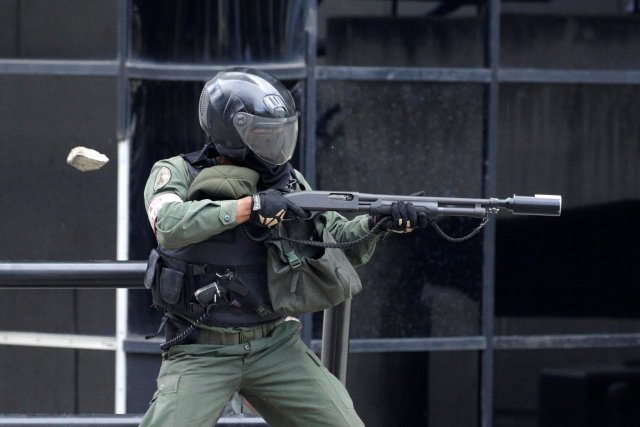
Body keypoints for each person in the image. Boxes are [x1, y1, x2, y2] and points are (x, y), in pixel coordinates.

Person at [139, 67, 427, 427]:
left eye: (279, 135)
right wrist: (250, 208)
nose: (275, 146)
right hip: (201, 349)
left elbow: (335, 237)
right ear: (231, 132)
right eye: (262, 135)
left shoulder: (288, 181)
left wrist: (376, 224)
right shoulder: (176, 171)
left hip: (274, 345)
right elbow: (168, 224)